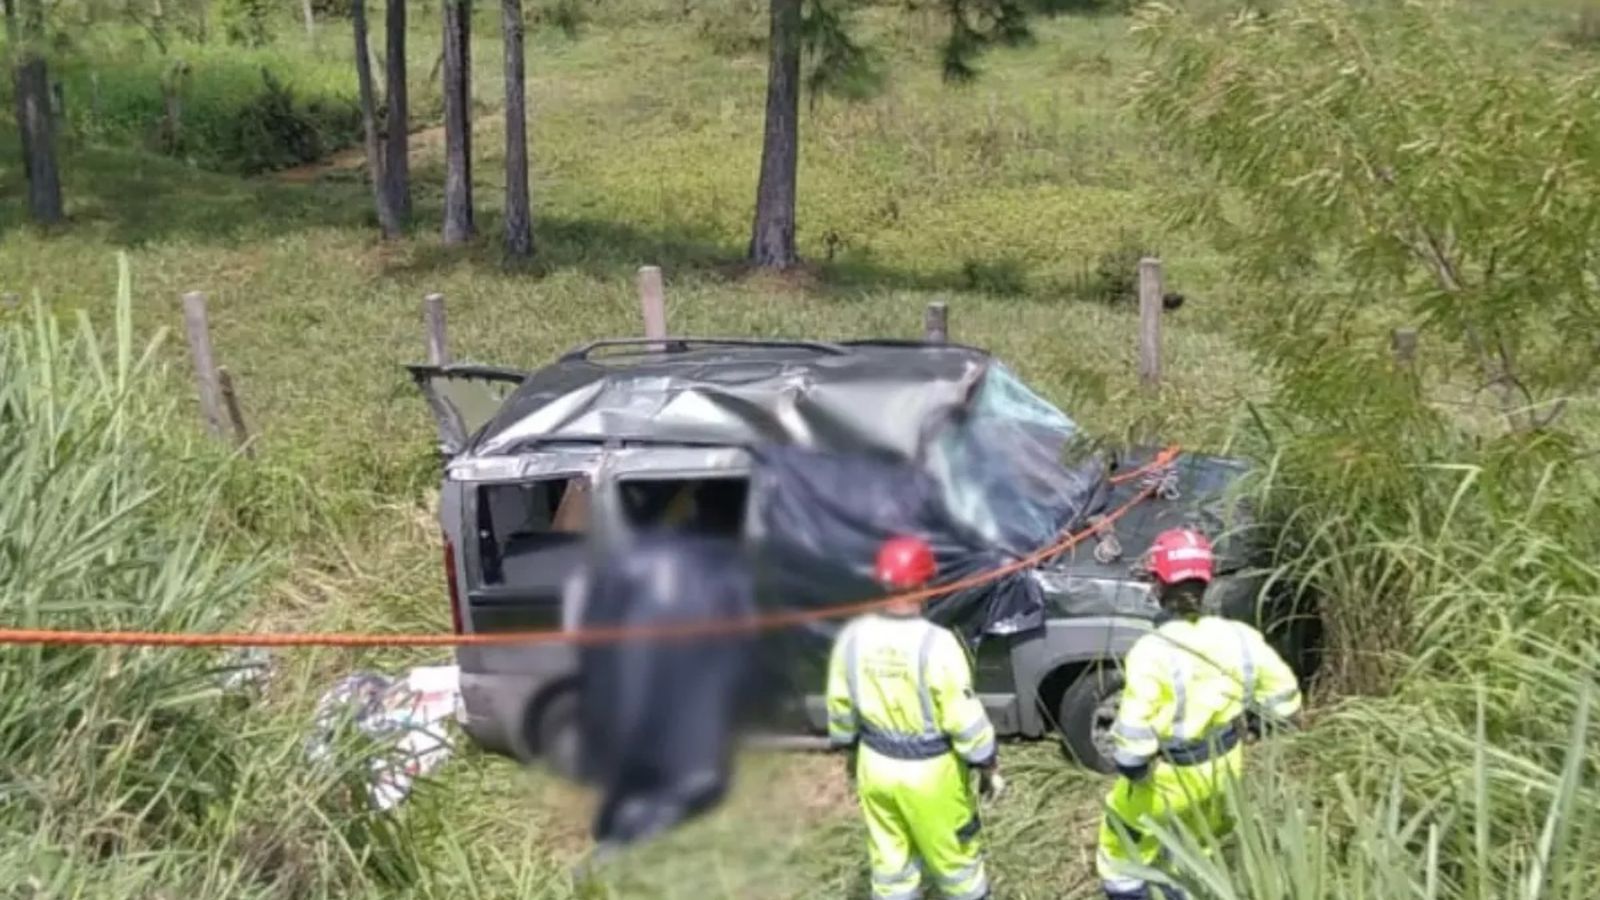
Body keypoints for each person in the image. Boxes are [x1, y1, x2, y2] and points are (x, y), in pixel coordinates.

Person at [1095, 528, 1304, 900]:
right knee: (1201, 850)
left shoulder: (1151, 651)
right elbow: (1285, 699)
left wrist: (1136, 774)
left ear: (1158, 584)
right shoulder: (1239, 636)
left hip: (1168, 779)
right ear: (1206, 581)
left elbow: (1131, 747)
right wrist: (1257, 727)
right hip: (1227, 769)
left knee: (1119, 854)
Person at [827, 536, 999, 900]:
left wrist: (849, 753)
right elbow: (963, 718)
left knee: (892, 865)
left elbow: (840, 711)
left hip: (874, 767)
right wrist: (986, 763)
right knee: (958, 867)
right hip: (930, 775)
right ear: (925, 584)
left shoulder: (853, 638)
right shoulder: (937, 644)